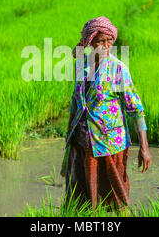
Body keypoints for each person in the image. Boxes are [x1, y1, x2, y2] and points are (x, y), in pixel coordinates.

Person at [60, 16, 151, 215]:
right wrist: (68, 151)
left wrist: (144, 148)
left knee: (117, 200)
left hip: (109, 144)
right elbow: (76, 109)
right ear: (90, 42)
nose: (106, 46)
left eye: (109, 42)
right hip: (82, 144)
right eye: (100, 41)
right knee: (79, 202)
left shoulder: (118, 69)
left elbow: (135, 108)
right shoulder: (81, 67)